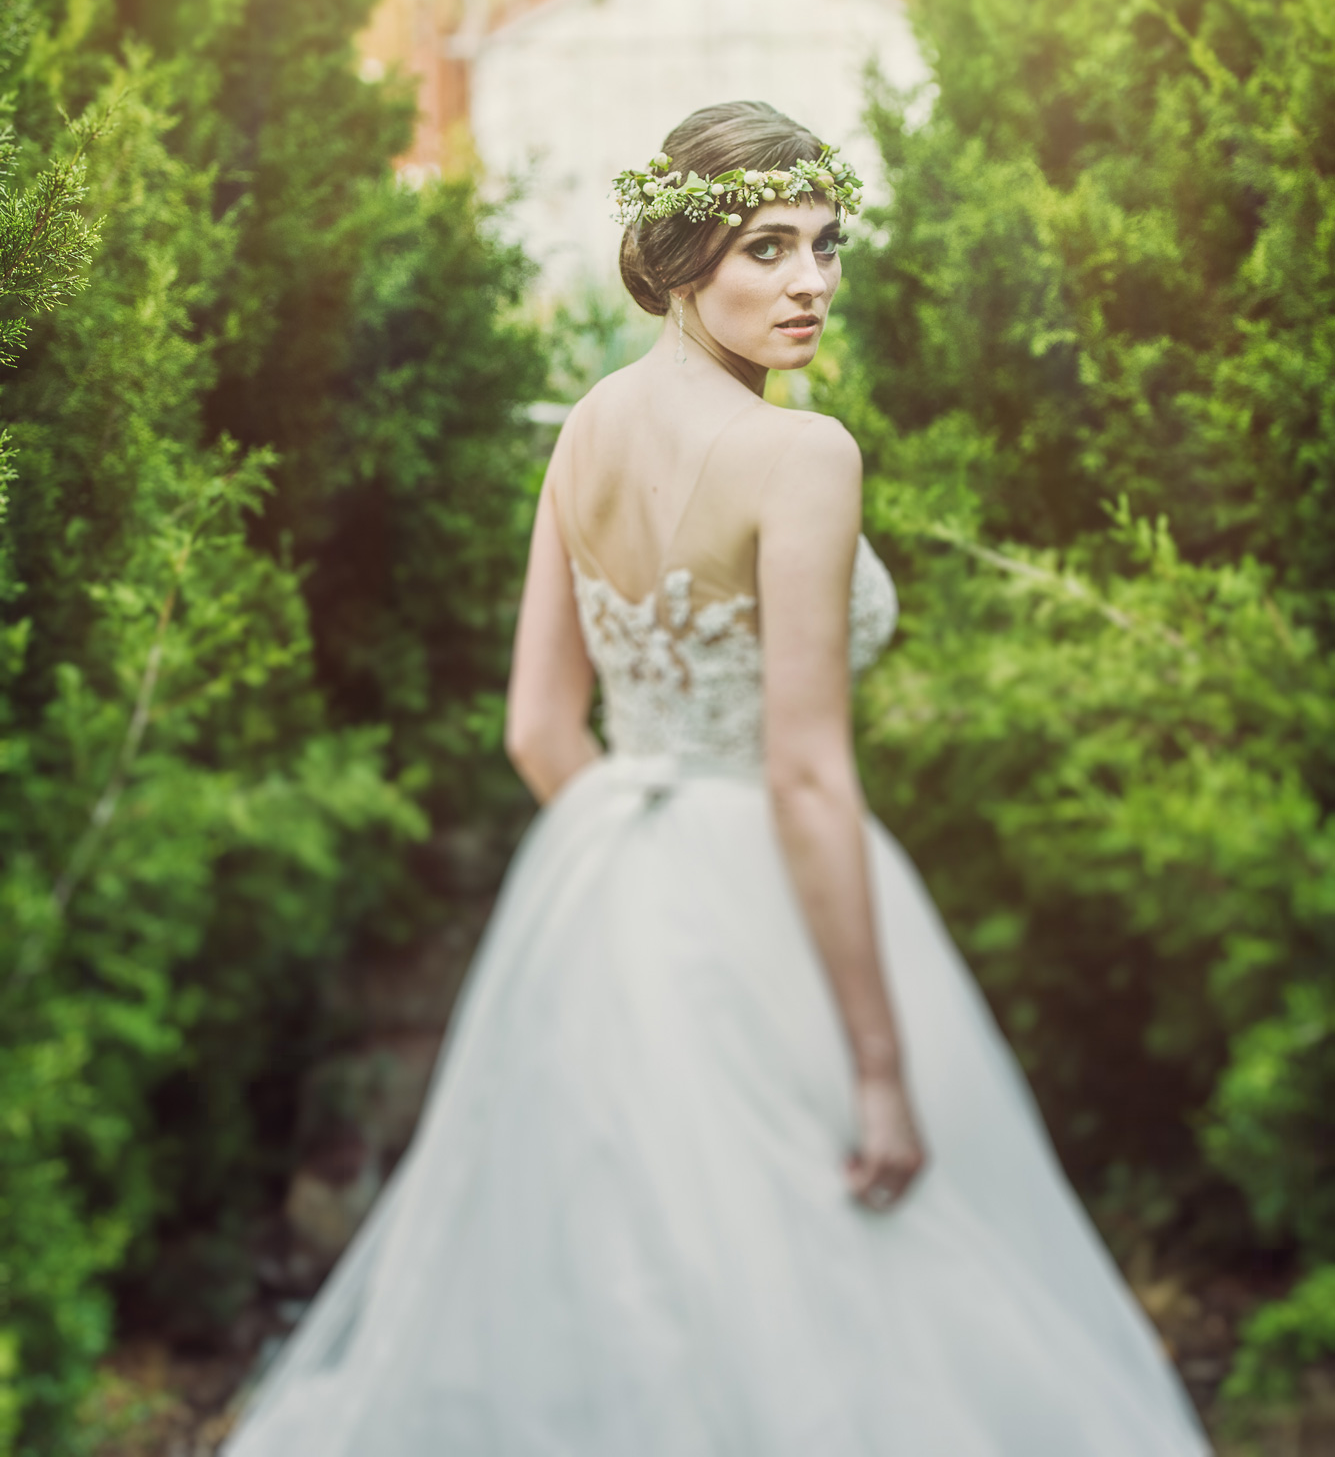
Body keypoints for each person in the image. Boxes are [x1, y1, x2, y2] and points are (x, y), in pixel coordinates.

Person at [226, 101, 1212, 1455]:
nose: (810, 281)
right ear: (683, 259)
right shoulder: (804, 456)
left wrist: (637, 882)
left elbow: (540, 734)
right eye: (767, 247)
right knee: (852, 1277)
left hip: (608, 902)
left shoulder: (585, 430)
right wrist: (877, 1066)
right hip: (770, 891)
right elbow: (804, 775)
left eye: (825, 243)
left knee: (641, 1282)